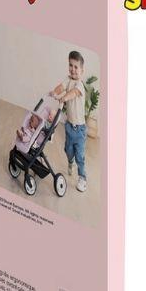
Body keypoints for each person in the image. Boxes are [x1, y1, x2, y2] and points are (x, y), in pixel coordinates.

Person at [51, 50, 88, 192]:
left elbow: (73, 93)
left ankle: (82, 178)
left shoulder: (80, 85)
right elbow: (61, 86)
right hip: (69, 126)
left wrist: (63, 98)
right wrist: (55, 92)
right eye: (70, 65)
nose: (73, 69)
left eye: (76, 67)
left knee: (80, 156)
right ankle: (70, 160)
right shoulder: (68, 80)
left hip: (80, 129)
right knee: (68, 150)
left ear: (82, 70)